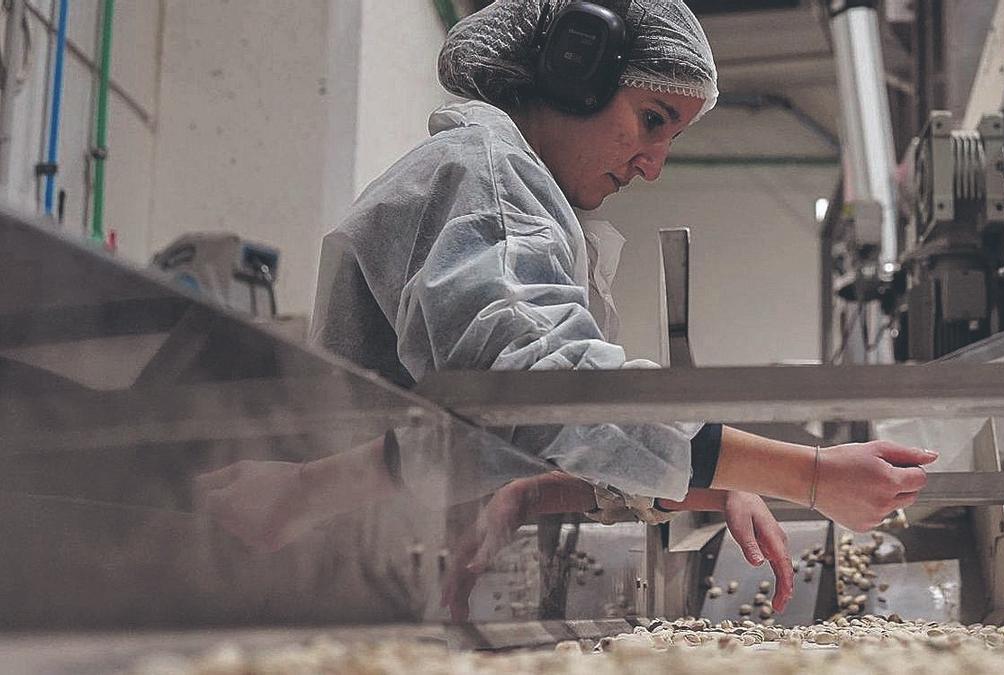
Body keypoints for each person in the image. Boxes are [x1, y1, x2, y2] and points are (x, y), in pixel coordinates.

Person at [199, 0, 936, 621]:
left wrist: (719, 483)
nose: (653, 165)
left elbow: (523, 444)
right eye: (652, 119)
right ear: (575, 71)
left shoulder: (530, 206)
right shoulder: (485, 173)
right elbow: (543, 393)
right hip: (318, 572)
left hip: (383, 576)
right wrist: (807, 473)